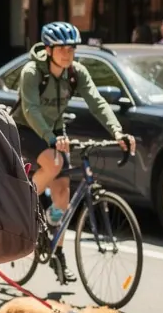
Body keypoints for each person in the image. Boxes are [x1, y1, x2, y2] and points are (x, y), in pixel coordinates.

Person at [12, 22, 134, 284]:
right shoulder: (33, 71)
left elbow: (96, 101)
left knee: (62, 196)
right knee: (54, 164)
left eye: (72, 49)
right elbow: (31, 110)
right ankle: (20, 203)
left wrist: (117, 132)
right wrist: (52, 138)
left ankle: (56, 251)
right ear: (48, 49)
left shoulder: (76, 72)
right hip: (26, 129)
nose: (68, 54)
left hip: (55, 131)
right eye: (62, 49)